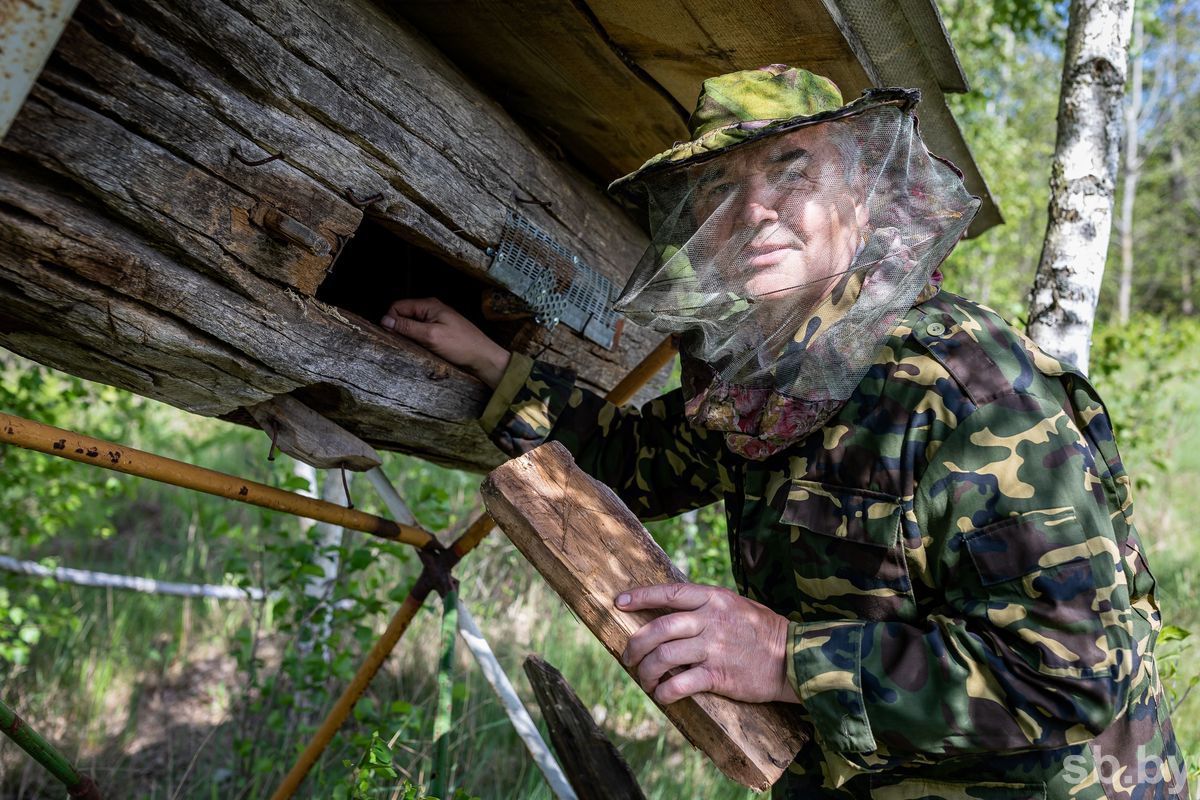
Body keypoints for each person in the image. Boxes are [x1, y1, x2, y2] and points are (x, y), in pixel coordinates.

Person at [381, 66, 1186, 799]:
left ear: (862, 200)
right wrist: (493, 364)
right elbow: (632, 465)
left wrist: (784, 656)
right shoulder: (769, 382)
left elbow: (1071, 674)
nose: (754, 210)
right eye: (718, 191)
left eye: (791, 171)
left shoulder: (966, 383)